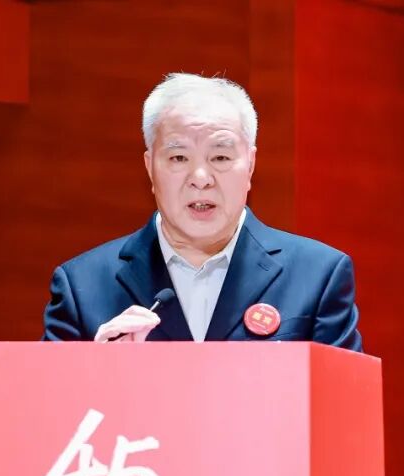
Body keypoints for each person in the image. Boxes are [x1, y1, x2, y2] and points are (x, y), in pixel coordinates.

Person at [41, 73, 362, 351]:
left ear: (250, 164)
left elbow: (343, 400)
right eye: (179, 158)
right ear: (150, 167)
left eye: (220, 158)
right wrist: (95, 371)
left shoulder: (317, 276)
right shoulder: (82, 286)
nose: (200, 178)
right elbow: (47, 401)